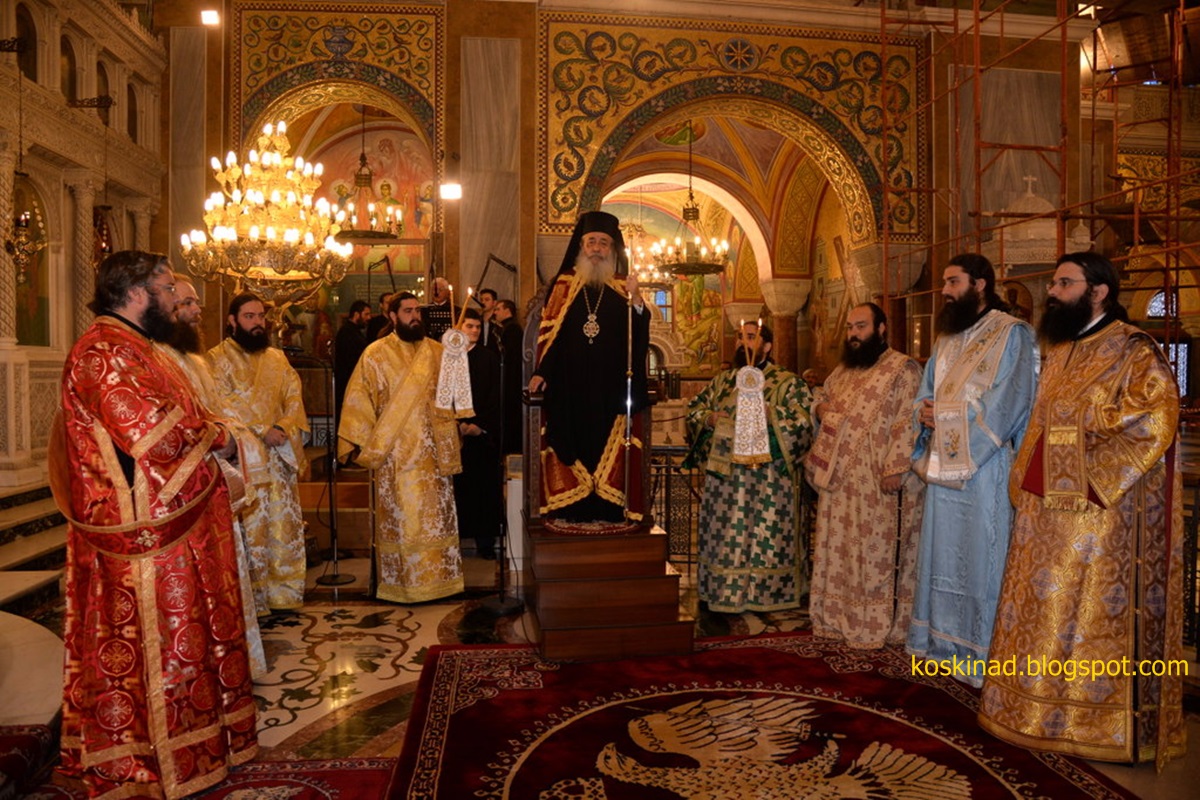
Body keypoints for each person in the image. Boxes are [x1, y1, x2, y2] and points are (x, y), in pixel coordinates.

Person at [54, 250, 257, 798]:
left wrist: (212, 433)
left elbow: (187, 414)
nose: (174, 299)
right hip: (140, 532)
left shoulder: (140, 347)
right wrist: (218, 438)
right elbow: (154, 436)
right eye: (167, 288)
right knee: (160, 648)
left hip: (173, 522)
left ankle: (205, 747)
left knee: (188, 640)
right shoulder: (100, 352)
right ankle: (147, 762)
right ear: (136, 292)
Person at [979, 252, 1186, 767]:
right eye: (1053, 282)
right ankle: (1029, 710)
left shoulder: (1132, 348)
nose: (1052, 291)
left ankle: (1086, 722)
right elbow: (1040, 420)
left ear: (1098, 291)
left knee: (1080, 615)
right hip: (1042, 509)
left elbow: (1157, 413)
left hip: (1095, 515)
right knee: (1038, 610)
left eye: (1064, 283)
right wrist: (1023, 483)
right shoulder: (1061, 347)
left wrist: (1087, 430)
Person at [908, 253, 1037, 685]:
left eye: (953, 281)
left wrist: (946, 418)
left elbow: (1010, 403)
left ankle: (982, 654)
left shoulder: (1012, 333)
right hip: (943, 472)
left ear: (980, 284)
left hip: (985, 468)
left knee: (982, 559)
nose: (945, 290)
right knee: (942, 557)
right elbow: (925, 391)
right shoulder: (947, 338)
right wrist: (924, 412)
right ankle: (943, 647)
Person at [159, 275, 267, 677]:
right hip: (184, 491)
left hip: (213, 480)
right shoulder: (159, 359)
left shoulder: (196, 361)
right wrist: (224, 437)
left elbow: (216, 414)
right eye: (185, 303)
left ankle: (229, 664)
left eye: (196, 304)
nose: (195, 311)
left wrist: (232, 438)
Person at [804, 303, 924, 648]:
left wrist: (896, 467)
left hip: (878, 481)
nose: (853, 334)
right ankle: (837, 617)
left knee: (875, 554)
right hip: (839, 482)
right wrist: (819, 408)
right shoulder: (844, 369)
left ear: (881, 328)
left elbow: (908, 419)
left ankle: (879, 623)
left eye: (861, 326)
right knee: (840, 552)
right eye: (850, 327)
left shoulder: (902, 370)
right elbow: (822, 396)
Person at [337, 292, 465, 602]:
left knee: (435, 521)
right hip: (395, 456)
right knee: (402, 523)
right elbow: (358, 399)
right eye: (407, 311)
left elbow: (456, 397)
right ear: (392, 316)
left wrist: (459, 356)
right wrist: (357, 441)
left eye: (417, 311)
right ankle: (402, 586)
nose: (415, 316)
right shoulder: (375, 354)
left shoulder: (438, 352)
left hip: (433, 456)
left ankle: (440, 581)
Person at [528, 210, 650, 524]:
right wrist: (542, 372)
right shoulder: (564, 285)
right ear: (581, 246)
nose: (597, 248)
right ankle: (571, 508)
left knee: (607, 445)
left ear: (612, 249)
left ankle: (610, 510)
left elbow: (638, 334)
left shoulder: (624, 287)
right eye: (591, 241)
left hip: (611, 387)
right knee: (571, 442)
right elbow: (551, 336)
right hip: (570, 387)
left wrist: (637, 300)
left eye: (603, 243)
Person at [684, 321, 813, 613]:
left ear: (767, 345)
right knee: (727, 537)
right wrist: (709, 419)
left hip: (770, 482)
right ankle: (723, 588)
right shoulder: (723, 381)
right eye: (739, 337)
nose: (743, 343)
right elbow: (694, 409)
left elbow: (804, 422)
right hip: (726, 483)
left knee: (768, 538)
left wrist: (771, 413)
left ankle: (767, 592)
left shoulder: (787, 382)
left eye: (751, 337)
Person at [207, 292, 310, 615]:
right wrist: (262, 429)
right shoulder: (216, 359)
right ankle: (255, 600)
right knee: (251, 530)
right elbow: (221, 404)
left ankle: (283, 595)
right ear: (232, 320)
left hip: (279, 456)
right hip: (245, 461)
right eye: (249, 317)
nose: (257, 323)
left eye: (260, 317)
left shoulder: (277, 359)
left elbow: (293, 396)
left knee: (282, 527)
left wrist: (283, 426)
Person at [453, 308, 503, 559]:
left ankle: (485, 542)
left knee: (485, 490)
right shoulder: (446, 358)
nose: (474, 331)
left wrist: (479, 426)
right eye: (469, 326)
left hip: (482, 435)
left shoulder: (489, 358)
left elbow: (495, 396)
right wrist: (457, 425)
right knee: (458, 490)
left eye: (477, 327)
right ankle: (456, 540)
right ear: (458, 327)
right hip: (454, 436)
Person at [494, 298, 525, 454]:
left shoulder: (512, 329)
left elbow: (510, 358)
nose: (495, 312)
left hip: (512, 382)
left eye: (498, 309)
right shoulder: (506, 328)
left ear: (507, 311)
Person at [335, 299, 372, 421]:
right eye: (366, 314)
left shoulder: (354, 332)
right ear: (356, 314)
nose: (369, 318)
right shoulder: (347, 333)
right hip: (348, 383)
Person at [477, 287, 501, 352]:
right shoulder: (478, 320)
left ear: (494, 302)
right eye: (481, 300)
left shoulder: (498, 321)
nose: (483, 302)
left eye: (487, 300)